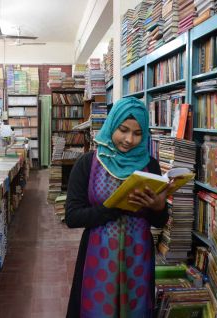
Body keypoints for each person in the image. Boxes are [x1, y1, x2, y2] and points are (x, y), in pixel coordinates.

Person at [65, 97, 170, 317]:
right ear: (112, 125)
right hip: (98, 256)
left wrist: (159, 208)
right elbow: (73, 216)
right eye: (123, 130)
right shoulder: (87, 163)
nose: (129, 139)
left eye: (137, 133)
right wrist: (115, 207)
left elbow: (159, 222)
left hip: (138, 258)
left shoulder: (150, 165)